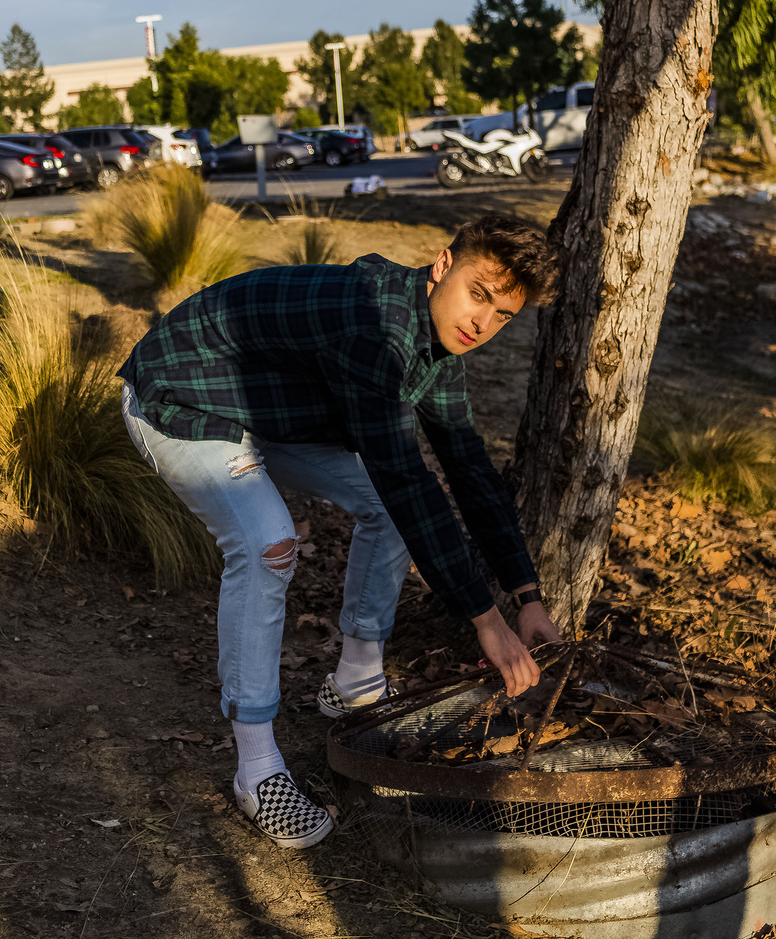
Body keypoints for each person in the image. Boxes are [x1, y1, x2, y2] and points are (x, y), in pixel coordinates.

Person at [118, 212, 561, 849]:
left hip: (265, 403)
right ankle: (256, 768)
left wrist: (527, 596)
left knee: (387, 503)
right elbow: (411, 481)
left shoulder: (438, 342)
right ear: (442, 266)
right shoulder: (374, 329)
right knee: (269, 545)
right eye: (478, 294)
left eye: (503, 316)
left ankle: (355, 682)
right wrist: (487, 625)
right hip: (181, 394)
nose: (481, 323)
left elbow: (468, 468)